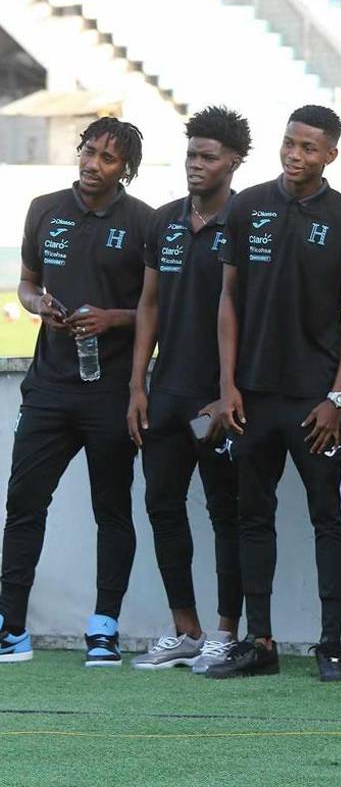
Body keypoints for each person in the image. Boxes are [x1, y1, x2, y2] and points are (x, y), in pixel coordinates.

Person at [207, 105, 341, 682]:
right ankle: (261, 643)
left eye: (309, 148)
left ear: (330, 155)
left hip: (314, 402)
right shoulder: (247, 206)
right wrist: (226, 386)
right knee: (254, 518)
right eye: (289, 143)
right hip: (251, 397)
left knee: (329, 518)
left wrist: (338, 396)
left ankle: (330, 644)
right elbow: (227, 299)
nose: (295, 155)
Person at [0, 117, 152, 666]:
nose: (92, 165)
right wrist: (37, 303)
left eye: (107, 159)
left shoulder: (143, 223)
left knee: (111, 509)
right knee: (23, 504)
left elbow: (157, 312)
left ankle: (104, 627)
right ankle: (10, 625)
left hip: (111, 392)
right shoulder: (44, 207)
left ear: (125, 169)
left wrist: (114, 318)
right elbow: (26, 281)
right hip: (48, 389)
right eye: (88, 153)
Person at [127, 107, 251, 673]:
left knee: (228, 514)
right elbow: (148, 306)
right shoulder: (163, 221)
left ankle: (226, 631)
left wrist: (230, 391)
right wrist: (138, 384)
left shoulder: (249, 221)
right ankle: (186, 630)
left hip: (223, 399)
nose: (196, 165)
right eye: (191, 155)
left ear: (233, 161)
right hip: (168, 395)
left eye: (208, 157)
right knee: (162, 505)